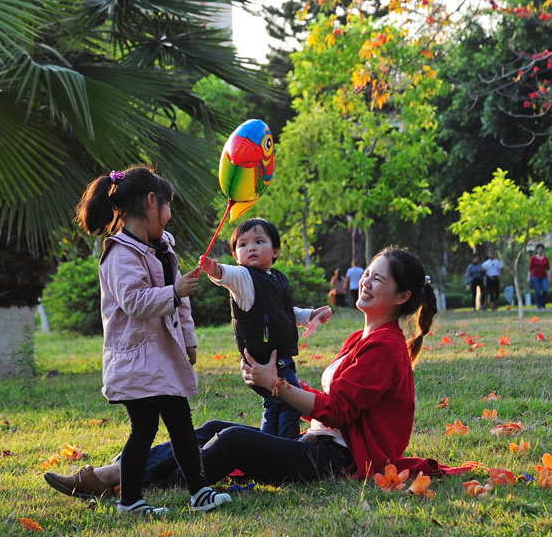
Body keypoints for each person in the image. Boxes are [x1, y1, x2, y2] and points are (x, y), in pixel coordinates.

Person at [44, 247, 469, 499]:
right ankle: (122, 473)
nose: (366, 283)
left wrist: (277, 386)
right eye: (367, 275)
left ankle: (139, 482)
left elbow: (336, 412)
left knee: (232, 441)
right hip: (317, 445)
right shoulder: (365, 339)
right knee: (212, 425)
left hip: (336, 460)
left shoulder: (386, 348)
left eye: (379, 280)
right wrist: (276, 384)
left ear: (403, 296)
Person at [62, 165, 230, 516]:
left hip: (165, 355)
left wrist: (189, 340)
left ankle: (199, 491)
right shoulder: (119, 253)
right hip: (137, 359)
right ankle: (129, 501)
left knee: (182, 424)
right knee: (144, 429)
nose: (169, 217)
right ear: (152, 202)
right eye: (168, 207)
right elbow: (134, 302)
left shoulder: (164, 247)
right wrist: (175, 290)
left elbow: (180, 303)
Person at [198, 218, 332, 440]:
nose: (250, 247)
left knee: (274, 404)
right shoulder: (244, 277)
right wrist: (215, 270)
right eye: (242, 244)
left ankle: (266, 447)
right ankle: (287, 447)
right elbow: (227, 275)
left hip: (280, 358)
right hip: (264, 363)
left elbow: (284, 311)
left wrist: (309, 315)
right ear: (235, 256)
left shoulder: (277, 277)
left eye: (259, 241)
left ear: (275, 251)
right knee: (291, 401)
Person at [527, 244, 550, 310]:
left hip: (543, 276)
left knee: (545, 289)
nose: (540, 250)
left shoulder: (546, 258)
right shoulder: (533, 258)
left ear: (543, 250)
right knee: (537, 291)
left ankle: (543, 302)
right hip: (535, 276)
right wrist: (528, 277)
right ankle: (538, 304)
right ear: (537, 250)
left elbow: (548, 268)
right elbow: (530, 269)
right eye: (539, 249)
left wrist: (549, 277)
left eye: (541, 249)